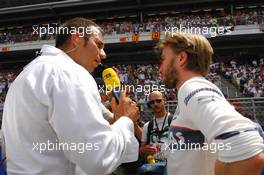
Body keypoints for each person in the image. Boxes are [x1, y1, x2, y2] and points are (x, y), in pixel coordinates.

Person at [2, 18, 139, 175]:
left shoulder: (28, 73)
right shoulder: (70, 73)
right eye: (98, 45)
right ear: (77, 39)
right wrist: (126, 120)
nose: (103, 54)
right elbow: (98, 157)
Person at [158, 32, 264, 175]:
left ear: (181, 58)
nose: (160, 68)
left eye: (163, 60)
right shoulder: (191, 90)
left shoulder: (192, 88)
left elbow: (244, 143)